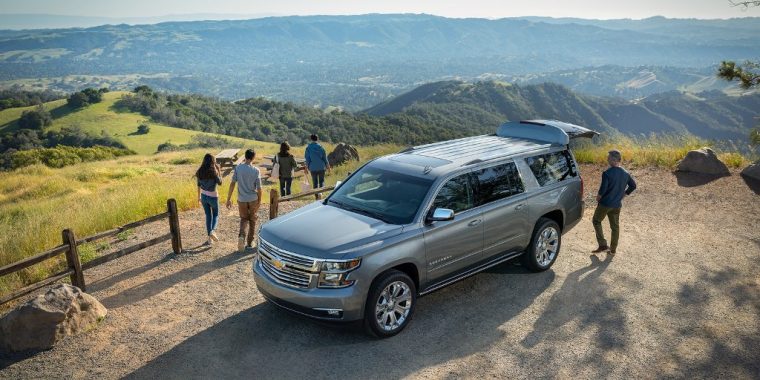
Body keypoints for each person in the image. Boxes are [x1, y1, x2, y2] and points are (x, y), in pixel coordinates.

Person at [592, 150, 637, 255]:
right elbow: (633, 186)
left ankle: (603, 245)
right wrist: (624, 195)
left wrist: (598, 197)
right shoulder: (626, 173)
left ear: (613, 160)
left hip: (605, 204)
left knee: (596, 221)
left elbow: (603, 190)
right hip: (617, 205)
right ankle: (613, 250)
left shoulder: (607, 173)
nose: (607, 159)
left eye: (609, 158)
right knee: (615, 227)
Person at [226, 149, 262, 253]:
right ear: (253, 158)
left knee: (243, 219)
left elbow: (232, 183)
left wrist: (228, 199)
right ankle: (250, 243)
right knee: (252, 220)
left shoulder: (238, 168)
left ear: (245, 156)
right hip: (253, 199)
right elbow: (259, 189)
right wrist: (259, 201)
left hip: (241, 199)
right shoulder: (256, 170)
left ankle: (241, 236)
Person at [196, 153, 222, 245]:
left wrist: (198, 197)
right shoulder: (214, 172)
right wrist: (219, 171)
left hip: (203, 196)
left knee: (208, 215)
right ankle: (212, 231)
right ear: (213, 161)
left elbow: (198, 185)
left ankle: (209, 239)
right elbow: (220, 183)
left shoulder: (199, 171)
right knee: (215, 215)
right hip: (213, 196)